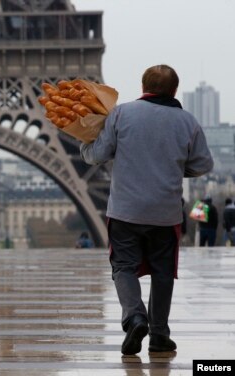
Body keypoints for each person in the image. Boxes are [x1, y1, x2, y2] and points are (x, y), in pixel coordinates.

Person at [80, 64, 213, 355]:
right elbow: (204, 164)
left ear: (143, 87)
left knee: (123, 267)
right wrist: (175, 169)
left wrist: (84, 145)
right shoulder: (187, 122)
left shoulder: (121, 114)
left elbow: (98, 155)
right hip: (165, 212)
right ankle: (159, 334)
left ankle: (134, 316)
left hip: (126, 210)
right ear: (175, 90)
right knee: (163, 272)